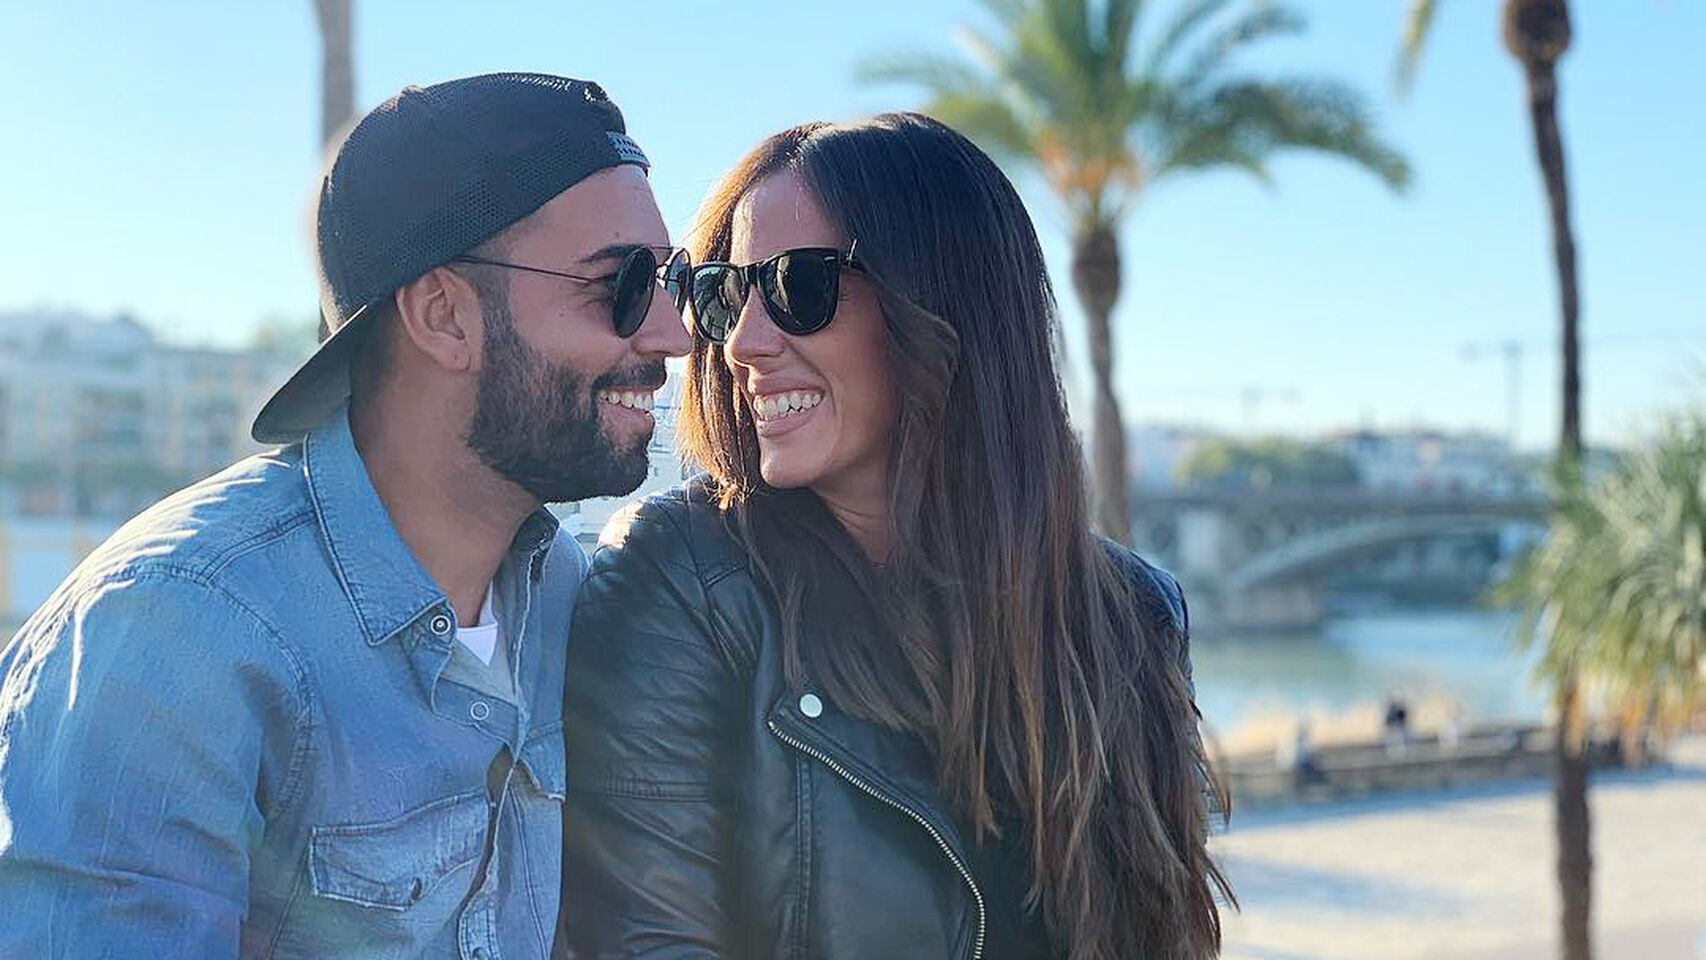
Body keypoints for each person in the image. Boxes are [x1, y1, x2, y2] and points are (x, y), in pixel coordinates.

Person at [0, 72, 691, 958]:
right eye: (624, 283)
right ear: (444, 316)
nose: (672, 332)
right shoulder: (177, 630)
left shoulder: (564, 595)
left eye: (674, 280)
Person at [559, 113, 1228, 960]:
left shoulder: (1134, 616)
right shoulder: (685, 583)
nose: (743, 346)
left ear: (945, 304)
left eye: (801, 288)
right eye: (725, 295)